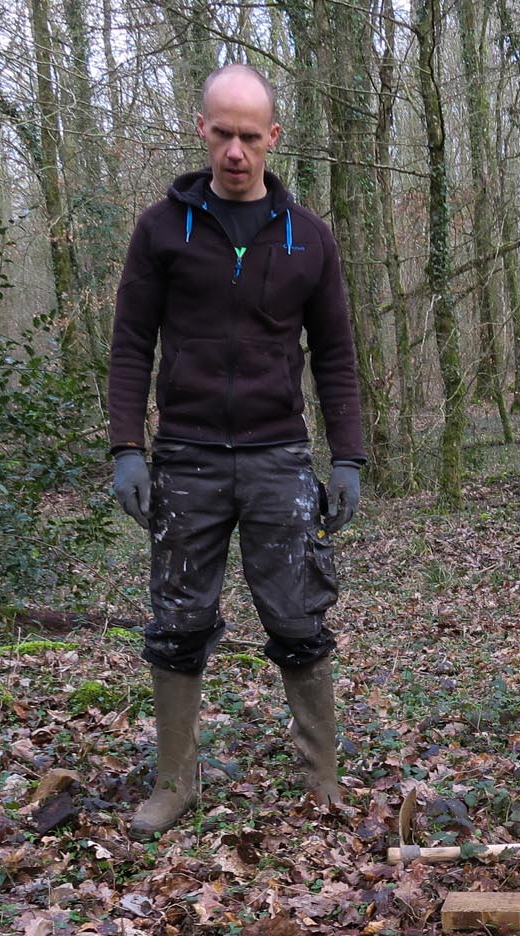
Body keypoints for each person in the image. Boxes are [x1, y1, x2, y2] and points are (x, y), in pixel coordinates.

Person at [107, 62, 365, 835]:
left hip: (278, 458)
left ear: (273, 138)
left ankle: (321, 779)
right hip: (185, 458)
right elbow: (130, 348)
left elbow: (337, 357)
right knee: (177, 622)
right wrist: (127, 446)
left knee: (298, 617)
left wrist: (346, 457)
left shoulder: (308, 238)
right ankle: (174, 785)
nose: (236, 152)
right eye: (223, 133)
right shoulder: (161, 229)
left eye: (251, 136)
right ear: (201, 131)